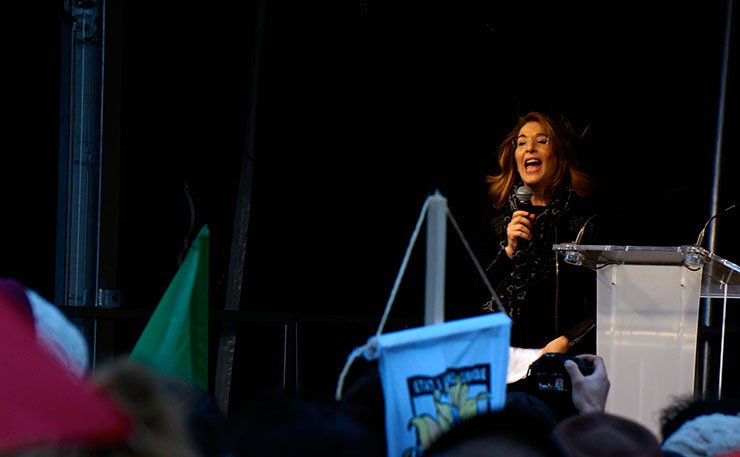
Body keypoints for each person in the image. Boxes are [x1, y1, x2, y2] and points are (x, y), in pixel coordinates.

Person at [482, 111, 598, 356]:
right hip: (501, 358)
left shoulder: (581, 224)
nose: (529, 148)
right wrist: (508, 253)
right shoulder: (497, 223)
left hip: (557, 362)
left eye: (541, 140)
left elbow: (604, 303)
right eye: (522, 142)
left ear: (559, 154)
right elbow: (470, 296)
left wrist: (568, 341)